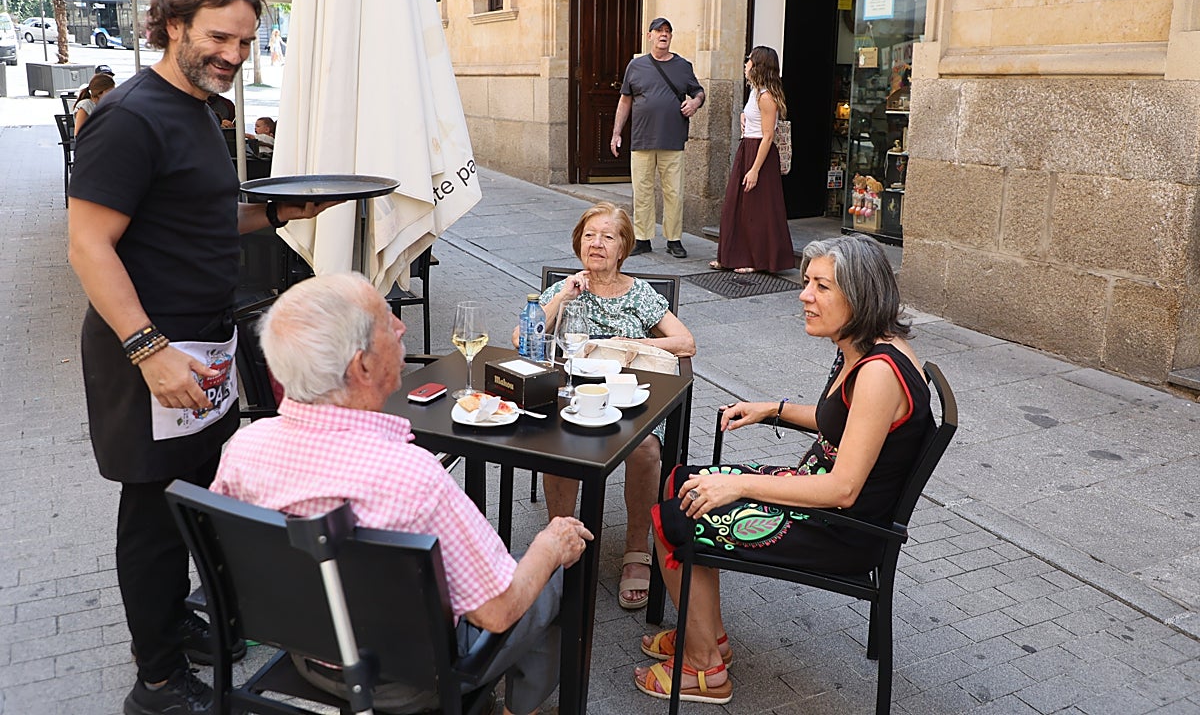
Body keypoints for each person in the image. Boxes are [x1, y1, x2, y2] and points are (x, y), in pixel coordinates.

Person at [67, 0, 334, 715]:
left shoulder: (198, 109)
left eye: (246, 42)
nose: (233, 55)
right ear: (174, 23)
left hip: (205, 348)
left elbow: (199, 218)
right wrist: (149, 353)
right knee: (153, 518)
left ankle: (180, 620)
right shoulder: (131, 115)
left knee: (195, 499)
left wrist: (285, 214)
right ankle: (155, 682)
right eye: (219, 37)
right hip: (149, 355)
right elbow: (89, 245)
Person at [212, 273, 592, 715]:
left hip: (307, 654)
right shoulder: (410, 476)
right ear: (363, 366)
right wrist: (549, 544)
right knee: (558, 564)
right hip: (411, 682)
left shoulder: (244, 448)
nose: (401, 327)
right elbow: (497, 612)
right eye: (386, 320)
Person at [632, 234, 934, 704]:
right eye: (807, 281)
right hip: (817, 498)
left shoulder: (878, 372)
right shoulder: (868, 345)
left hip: (840, 528)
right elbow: (845, 422)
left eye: (822, 286)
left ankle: (704, 668)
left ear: (860, 295)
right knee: (681, 480)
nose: (804, 295)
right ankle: (706, 636)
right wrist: (771, 408)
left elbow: (843, 488)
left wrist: (739, 488)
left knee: (679, 512)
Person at [512, 202, 695, 611]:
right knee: (557, 440)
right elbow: (521, 337)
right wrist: (561, 295)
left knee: (646, 449)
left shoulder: (638, 293)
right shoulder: (567, 288)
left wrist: (631, 345)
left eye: (607, 237)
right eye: (590, 235)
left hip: (631, 398)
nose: (596, 243)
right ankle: (559, 542)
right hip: (574, 394)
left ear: (622, 248)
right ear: (579, 242)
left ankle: (636, 549)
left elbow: (685, 343)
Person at [610, 17, 705, 258]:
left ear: (671, 37)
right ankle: (642, 238)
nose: (663, 35)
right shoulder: (636, 66)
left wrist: (694, 103)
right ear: (649, 36)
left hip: (672, 140)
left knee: (674, 192)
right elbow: (625, 100)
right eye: (658, 31)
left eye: (667, 31)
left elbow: (699, 92)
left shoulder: (683, 66)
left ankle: (674, 239)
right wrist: (616, 133)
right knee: (641, 190)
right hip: (642, 139)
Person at [710, 46, 793, 275]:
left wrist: (755, 169)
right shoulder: (755, 91)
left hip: (760, 153)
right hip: (747, 147)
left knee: (757, 210)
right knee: (736, 206)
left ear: (759, 66)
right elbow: (753, 117)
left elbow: (768, 136)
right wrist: (743, 115)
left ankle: (757, 260)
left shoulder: (767, 97)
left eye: (750, 60)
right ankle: (731, 256)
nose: (746, 64)